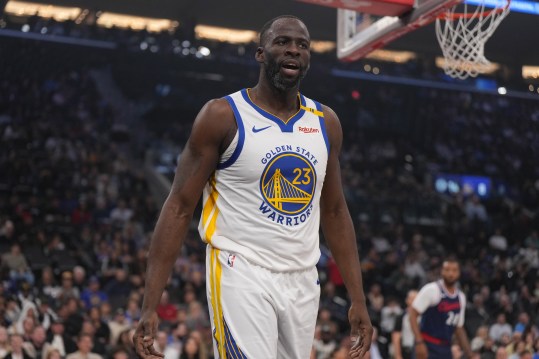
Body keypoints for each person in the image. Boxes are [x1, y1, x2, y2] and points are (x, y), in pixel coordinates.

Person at [132, 14, 372, 359]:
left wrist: (358, 299)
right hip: (239, 268)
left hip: (302, 277)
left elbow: (334, 210)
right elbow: (179, 206)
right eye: (282, 42)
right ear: (261, 54)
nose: (293, 50)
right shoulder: (222, 116)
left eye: (302, 45)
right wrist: (149, 305)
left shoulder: (326, 122)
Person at [409, 259, 474, 359]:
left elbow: (459, 328)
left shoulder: (461, 297)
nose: (450, 274)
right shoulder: (432, 289)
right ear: (441, 271)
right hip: (427, 344)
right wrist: (419, 342)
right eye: (447, 270)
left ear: (459, 273)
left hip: (445, 348)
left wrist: (470, 354)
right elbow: (412, 314)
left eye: (454, 270)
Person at [391, 290, 418, 359]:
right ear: (407, 300)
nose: (414, 301)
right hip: (406, 351)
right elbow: (396, 337)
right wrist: (398, 355)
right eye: (412, 299)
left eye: (417, 299)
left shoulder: (424, 316)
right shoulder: (401, 316)